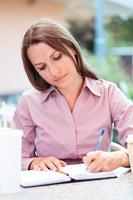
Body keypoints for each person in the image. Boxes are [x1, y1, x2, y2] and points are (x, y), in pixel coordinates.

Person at [12, 18, 133, 172]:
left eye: (57, 57)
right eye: (42, 67)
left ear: (72, 49)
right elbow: (14, 158)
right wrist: (33, 162)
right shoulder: (29, 102)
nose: (54, 71)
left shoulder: (108, 94)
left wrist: (119, 157)